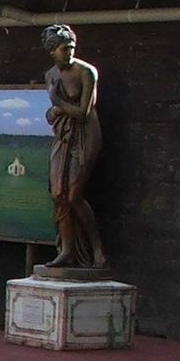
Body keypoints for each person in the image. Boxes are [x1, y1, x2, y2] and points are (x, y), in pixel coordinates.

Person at [42, 24, 107, 269]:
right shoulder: (50, 75)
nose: (68, 52)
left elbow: (83, 112)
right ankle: (67, 250)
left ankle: (97, 248)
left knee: (74, 194)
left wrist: (57, 102)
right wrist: (54, 111)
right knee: (58, 194)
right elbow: (53, 113)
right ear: (52, 51)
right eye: (62, 48)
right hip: (63, 135)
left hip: (85, 134)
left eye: (71, 47)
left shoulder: (86, 72)